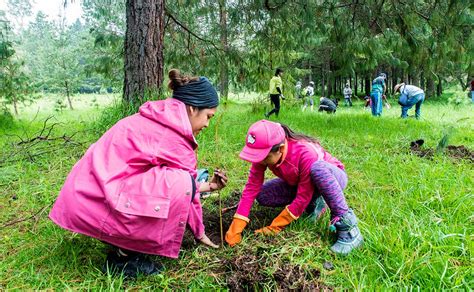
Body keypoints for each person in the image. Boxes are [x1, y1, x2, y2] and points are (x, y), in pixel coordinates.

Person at [49, 69, 228, 278]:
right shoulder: (175, 137)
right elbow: (187, 190)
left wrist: (209, 186)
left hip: (85, 194)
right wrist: (199, 232)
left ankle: (119, 240)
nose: (207, 124)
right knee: (181, 183)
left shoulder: (159, 116)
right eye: (208, 116)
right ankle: (123, 258)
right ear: (191, 108)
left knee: (184, 179)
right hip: (99, 197)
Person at [225, 120, 363, 255]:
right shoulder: (264, 154)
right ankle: (315, 202)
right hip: (300, 183)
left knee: (318, 170)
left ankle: (349, 227)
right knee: (263, 195)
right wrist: (237, 225)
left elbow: (303, 196)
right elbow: (251, 188)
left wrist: (276, 226)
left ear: (280, 149)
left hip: (331, 179)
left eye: (264, 157)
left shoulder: (305, 153)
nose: (260, 161)